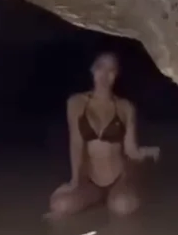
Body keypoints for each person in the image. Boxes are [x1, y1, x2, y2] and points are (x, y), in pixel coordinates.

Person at [47, 51, 160, 219]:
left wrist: (148, 152)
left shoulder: (125, 107)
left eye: (111, 70)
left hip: (119, 176)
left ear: (116, 75)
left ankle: (125, 190)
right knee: (59, 205)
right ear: (92, 70)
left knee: (122, 206)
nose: (105, 75)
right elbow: (76, 143)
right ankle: (100, 197)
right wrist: (74, 181)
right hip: (90, 179)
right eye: (100, 67)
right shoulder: (76, 102)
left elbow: (130, 150)